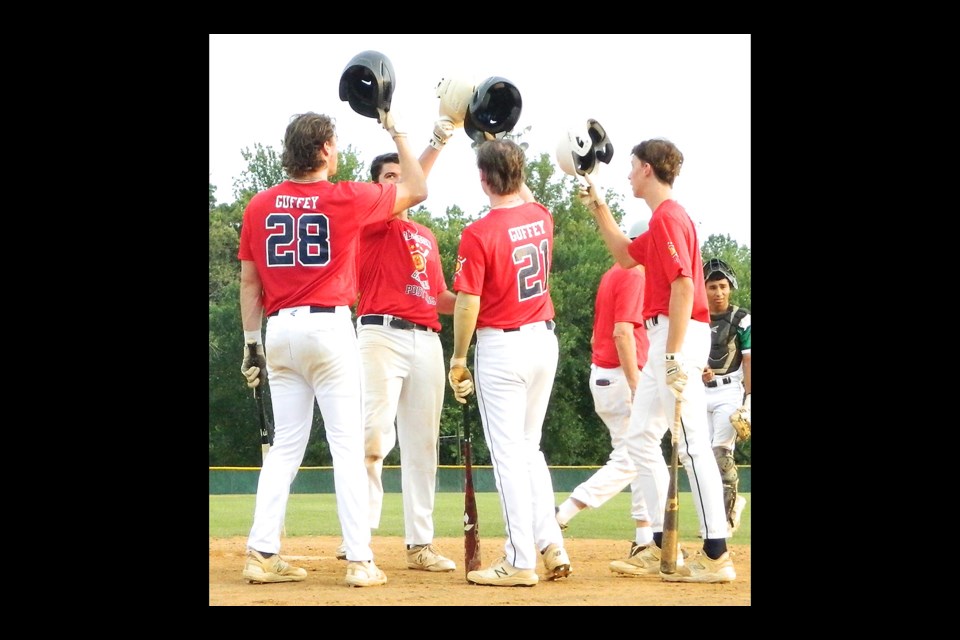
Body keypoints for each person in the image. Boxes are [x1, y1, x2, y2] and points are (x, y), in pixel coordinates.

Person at [237, 108, 427, 588]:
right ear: (322, 149)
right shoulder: (346, 197)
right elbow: (418, 189)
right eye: (335, 144)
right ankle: (360, 560)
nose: (338, 151)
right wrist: (399, 131)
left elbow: (249, 281)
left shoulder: (260, 204)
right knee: (345, 447)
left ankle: (261, 552)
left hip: (278, 331)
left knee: (285, 449)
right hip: (328, 326)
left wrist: (251, 342)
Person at [580, 137, 736, 583]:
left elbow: (686, 286)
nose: (628, 173)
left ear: (648, 169)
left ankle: (717, 554)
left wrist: (672, 355)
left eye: (632, 166)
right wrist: (598, 205)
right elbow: (626, 255)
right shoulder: (663, 219)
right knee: (639, 439)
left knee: (691, 446)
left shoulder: (669, 216)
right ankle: (660, 545)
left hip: (676, 334)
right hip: (667, 335)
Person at [447, 138, 571, 587]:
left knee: (507, 458)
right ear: (519, 176)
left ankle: (521, 559)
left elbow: (466, 303)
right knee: (528, 449)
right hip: (543, 342)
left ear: (483, 179)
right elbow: (527, 197)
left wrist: (459, 357)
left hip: (502, 347)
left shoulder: (479, 232)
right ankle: (549, 541)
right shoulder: (541, 217)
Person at [346, 126, 459, 573]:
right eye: (388, 176)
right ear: (378, 186)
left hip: (426, 338)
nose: (398, 181)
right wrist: (433, 144)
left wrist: (482, 301)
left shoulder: (426, 236)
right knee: (372, 439)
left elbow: (441, 298)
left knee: (422, 446)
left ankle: (420, 545)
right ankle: (357, 537)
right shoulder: (369, 220)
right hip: (380, 334)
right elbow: (416, 188)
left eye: (400, 174)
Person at [554, 218, 662, 572]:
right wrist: (635, 382)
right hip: (621, 375)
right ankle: (564, 513)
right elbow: (622, 332)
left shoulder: (613, 272)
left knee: (638, 456)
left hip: (605, 373)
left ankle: (645, 538)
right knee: (632, 458)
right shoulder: (635, 273)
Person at [701, 258, 751, 535]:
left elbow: (749, 360)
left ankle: (726, 518)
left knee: (720, 453)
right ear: (703, 288)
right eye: (712, 287)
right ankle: (718, 513)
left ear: (730, 287)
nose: (718, 292)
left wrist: (749, 400)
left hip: (730, 390)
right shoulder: (694, 316)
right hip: (700, 390)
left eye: (722, 286)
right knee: (702, 457)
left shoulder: (742, 318)